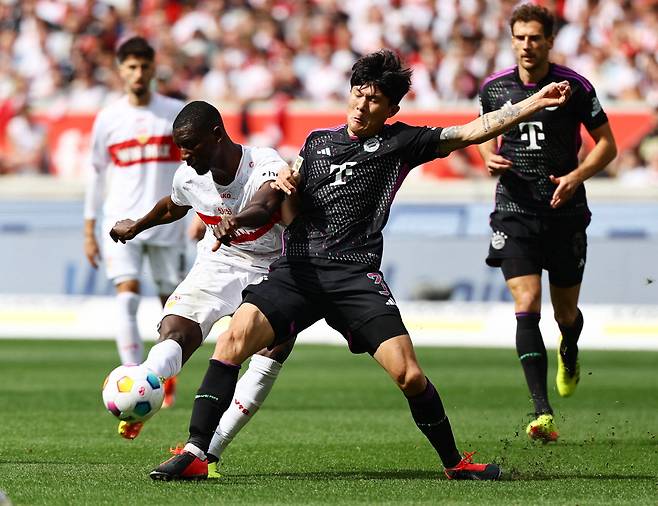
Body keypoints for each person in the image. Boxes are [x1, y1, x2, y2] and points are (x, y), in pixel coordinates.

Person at [150, 48, 571, 482]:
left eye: (373, 100)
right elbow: (285, 192)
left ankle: (454, 463)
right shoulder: (316, 142)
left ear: (391, 109)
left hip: (354, 274)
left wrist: (533, 103)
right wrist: (286, 182)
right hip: (298, 269)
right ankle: (197, 452)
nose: (361, 105)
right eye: (357, 94)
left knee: (408, 375)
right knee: (233, 340)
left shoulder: (402, 142)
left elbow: (471, 131)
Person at [109, 100, 296, 473]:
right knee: (174, 329)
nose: (184, 155)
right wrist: (137, 225)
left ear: (216, 135)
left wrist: (237, 219)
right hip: (221, 261)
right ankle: (144, 388)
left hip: (275, 266)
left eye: (190, 145)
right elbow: (173, 206)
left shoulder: (264, 163)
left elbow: (267, 202)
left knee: (268, 352)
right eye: (180, 147)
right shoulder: (188, 175)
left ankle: (207, 452)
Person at [477, 4, 617, 442]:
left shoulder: (574, 87)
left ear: (550, 40)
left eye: (535, 37)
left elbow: (608, 146)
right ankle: (542, 413)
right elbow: (481, 133)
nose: (527, 45)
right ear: (512, 39)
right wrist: (486, 156)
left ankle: (569, 349)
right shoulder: (494, 89)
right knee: (527, 303)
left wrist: (577, 176)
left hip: (564, 211)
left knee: (565, 313)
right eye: (520, 37)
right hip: (514, 209)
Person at [83, 37, 186, 409]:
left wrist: (202, 213)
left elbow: (193, 165)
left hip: (166, 221)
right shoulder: (109, 118)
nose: (138, 73)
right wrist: (89, 227)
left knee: (170, 304)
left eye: (144, 66)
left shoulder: (175, 112)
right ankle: (131, 376)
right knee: (125, 295)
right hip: (120, 223)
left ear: (153, 68)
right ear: (120, 70)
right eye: (131, 66)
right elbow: (95, 173)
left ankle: (164, 376)